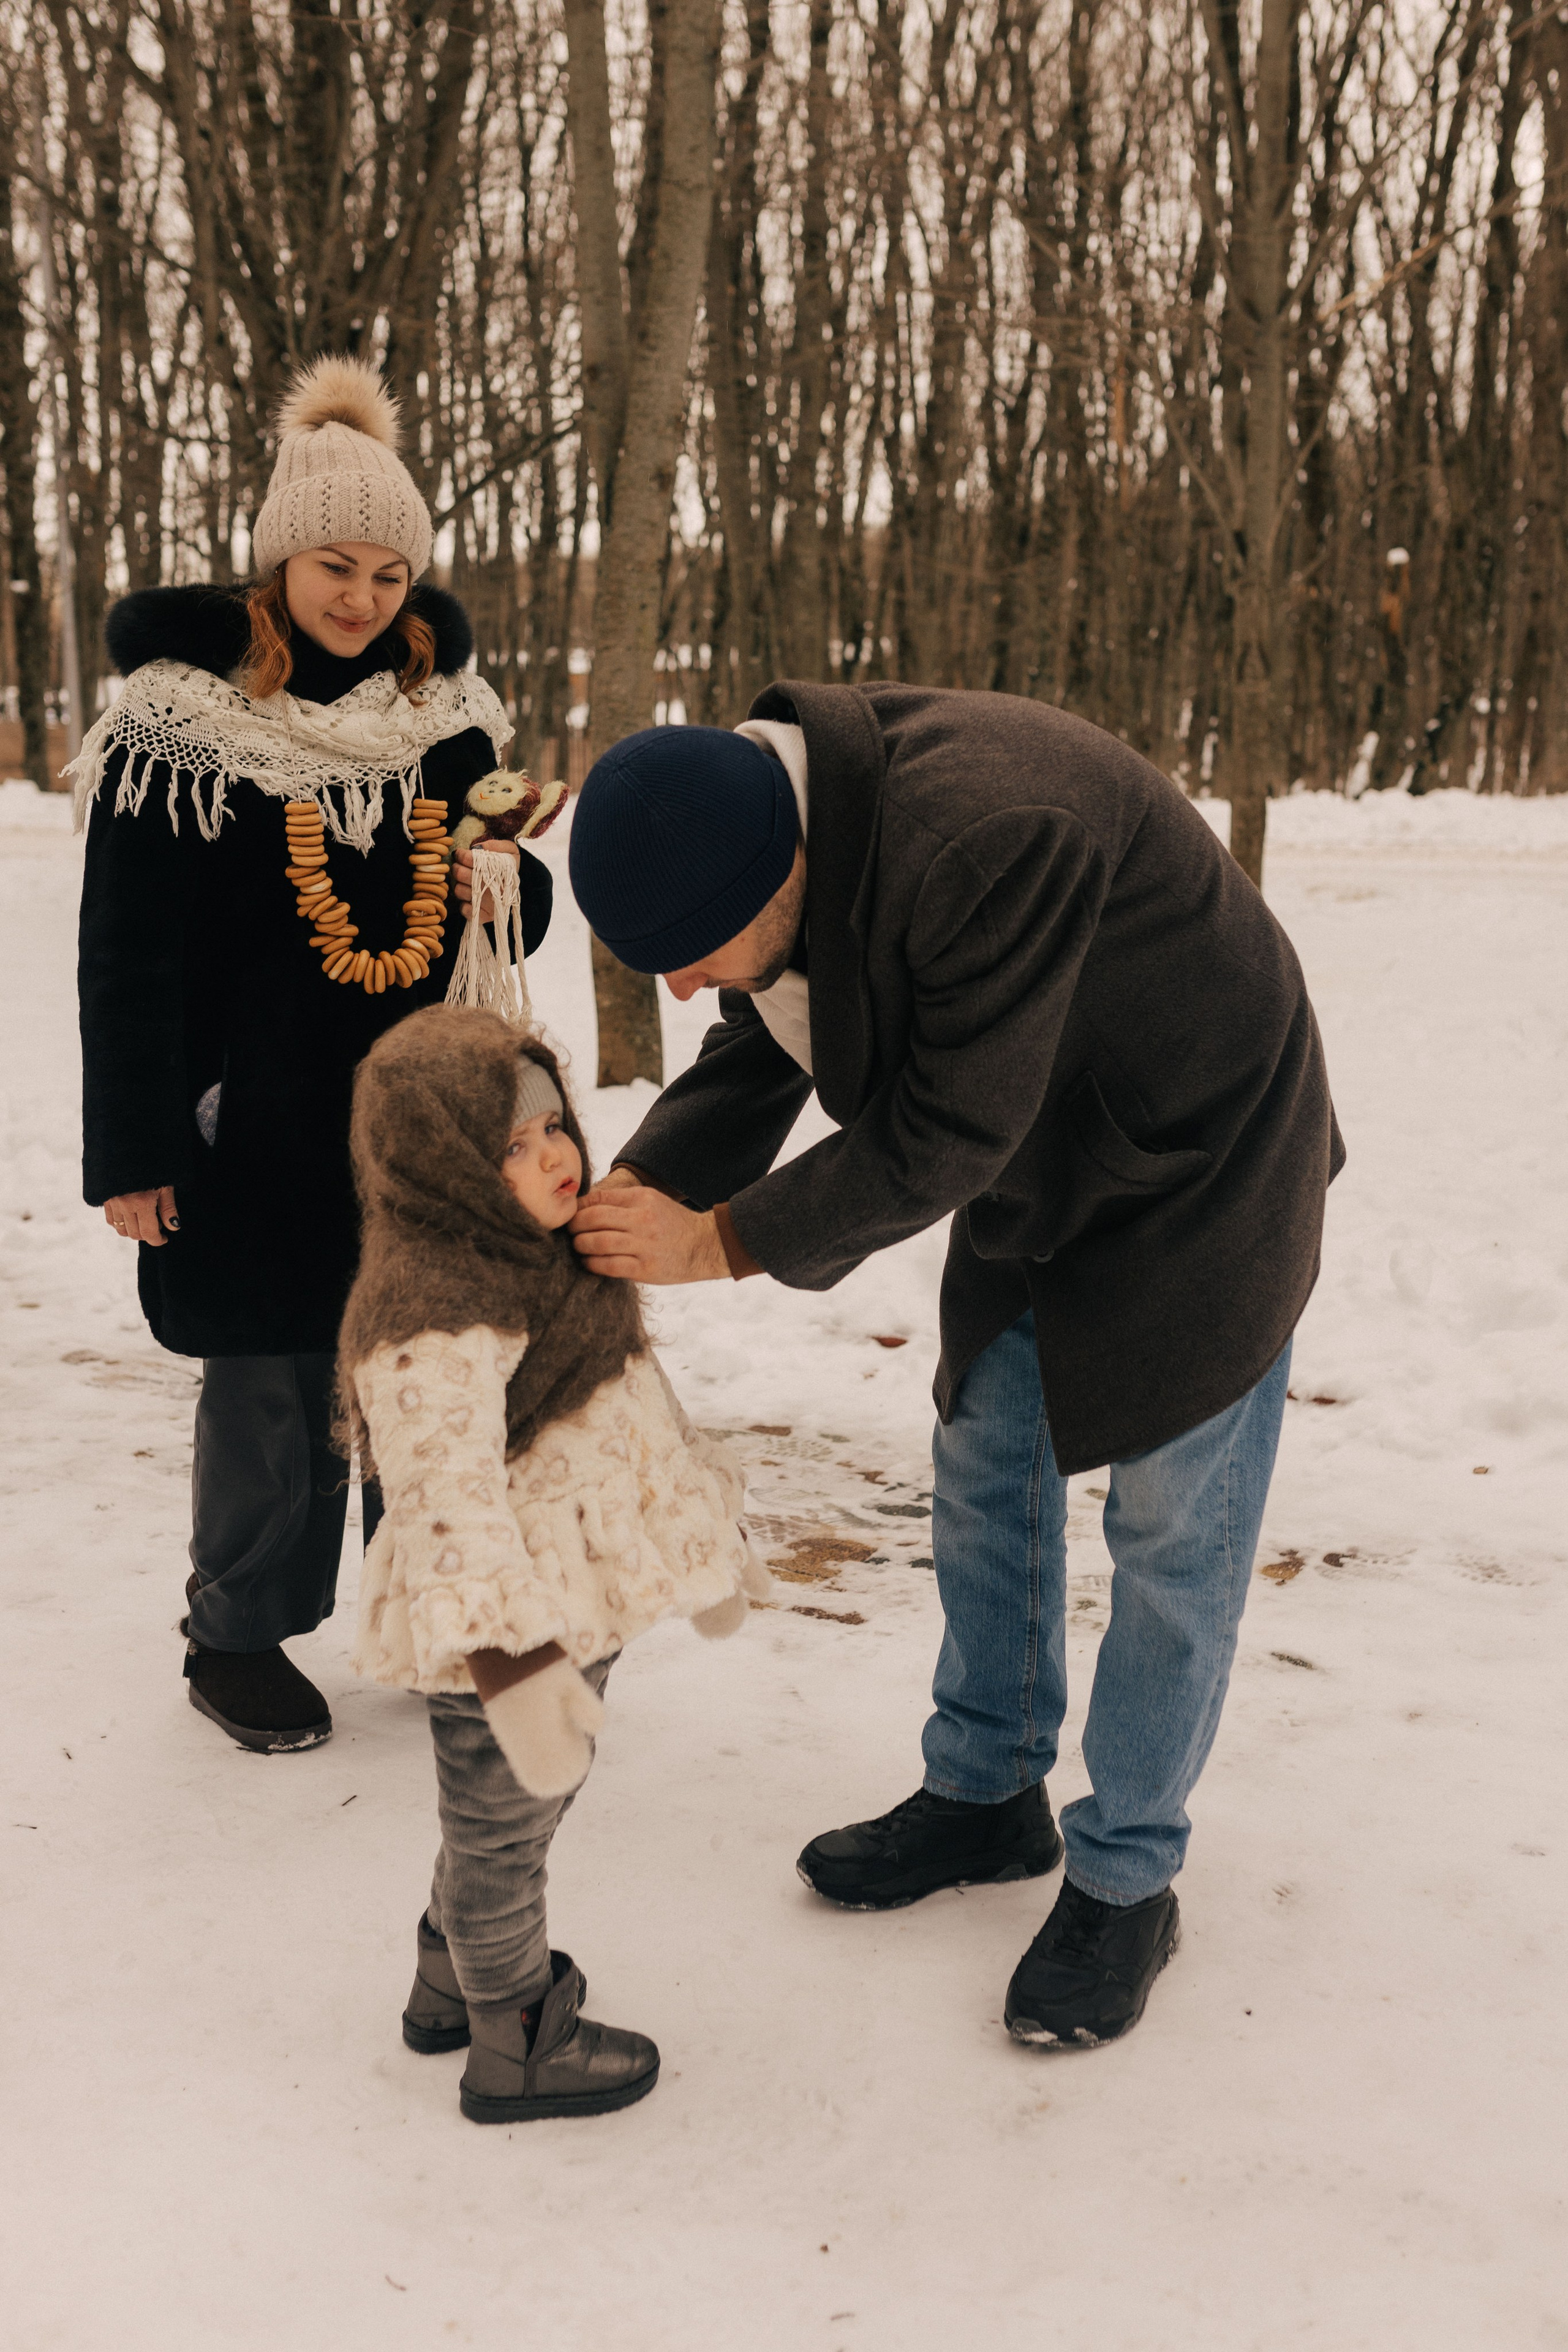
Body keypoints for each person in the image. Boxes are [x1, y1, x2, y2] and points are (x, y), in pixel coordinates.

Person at [565, 687, 1344, 2049]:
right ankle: (987, 1793)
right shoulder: (784, 832)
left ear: (777, 873)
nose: (681, 986)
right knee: (987, 1457)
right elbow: (767, 1030)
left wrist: (725, 1242)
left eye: (688, 955)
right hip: (1042, 1138)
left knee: (1171, 1528)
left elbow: (943, 1129)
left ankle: (1127, 1877)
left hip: (1200, 1159)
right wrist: (637, 1193)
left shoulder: (990, 833)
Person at [73, 356, 548, 1755]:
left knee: (437, 1373)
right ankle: (237, 1633)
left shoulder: (446, 725)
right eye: (336, 565)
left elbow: (500, 896)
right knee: (273, 1390)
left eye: (392, 573)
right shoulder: (181, 728)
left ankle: (441, 1610)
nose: (363, 597)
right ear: (277, 562)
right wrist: (138, 1146)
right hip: (252, 1127)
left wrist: (506, 872)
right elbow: (128, 954)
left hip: (422, 1124)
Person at [337, 1008, 767, 2122]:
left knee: (524, 1814)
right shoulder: (432, 1310)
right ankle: (516, 2034)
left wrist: (704, 1553)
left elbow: (632, 1414)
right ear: (443, 1170)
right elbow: (448, 1508)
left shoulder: (551, 1254)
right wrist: (514, 1667)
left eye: (552, 1127)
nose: (555, 1159)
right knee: (501, 1830)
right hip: (505, 1629)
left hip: (584, 1596)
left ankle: (450, 1979)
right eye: (511, 1149)